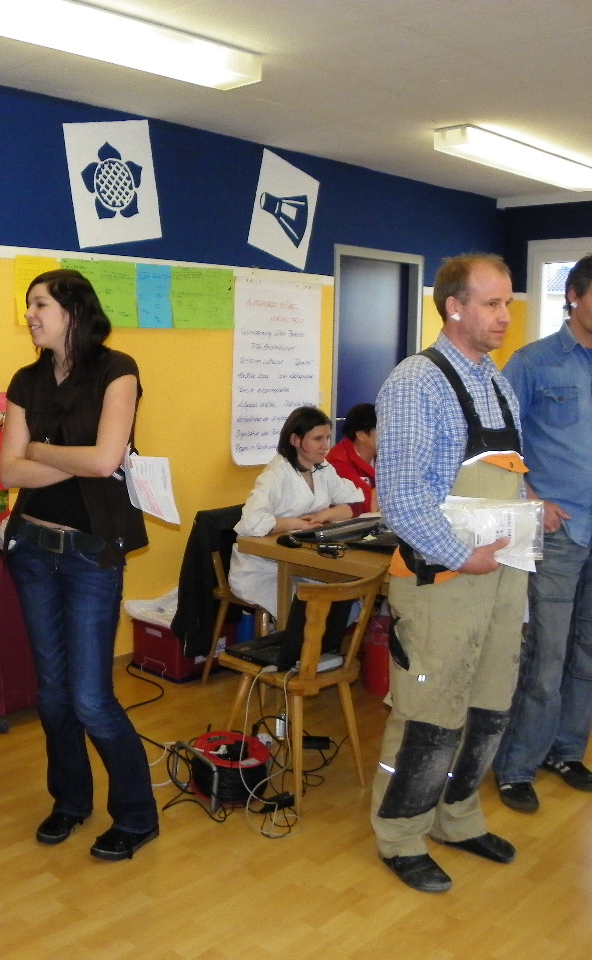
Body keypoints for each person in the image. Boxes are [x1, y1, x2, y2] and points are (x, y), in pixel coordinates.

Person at [368, 253, 527, 894]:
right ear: (454, 306)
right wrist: (463, 556)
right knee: (429, 712)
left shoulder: (497, 382)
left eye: (508, 303)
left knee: (488, 705)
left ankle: (456, 818)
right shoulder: (416, 383)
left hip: (503, 570)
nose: (505, 316)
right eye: (492, 304)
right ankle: (401, 835)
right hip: (443, 577)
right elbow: (401, 497)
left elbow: (509, 475)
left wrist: (533, 509)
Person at [0, 269, 159, 862]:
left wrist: (40, 449)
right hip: (32, 548)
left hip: (91, 554)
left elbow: (105, 461)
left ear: (72, 309)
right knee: (52, 694)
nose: (30, 315)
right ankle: (70, 800)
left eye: (39, 304)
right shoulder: (26, 380)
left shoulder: (118, 370)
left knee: (91, 698)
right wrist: (79, 458)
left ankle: (136, 816)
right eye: (29, 306)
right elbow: (9, 471)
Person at [491, 253, 592, 815]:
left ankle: (566, 752)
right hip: (557, 531)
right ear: (573, 297)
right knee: (545, 655)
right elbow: (498, 444)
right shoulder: (532, 362)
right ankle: (516, 766)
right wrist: (531, 499)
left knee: (591, 655)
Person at [228, 405, 365, 621]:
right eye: (318, 439)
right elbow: (251, 523)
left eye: (328, 438)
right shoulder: (275, 475)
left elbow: (357, 503)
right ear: (295, 440)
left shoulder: (322, 468)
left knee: (349, 603)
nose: (326, 446)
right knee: (310, 612)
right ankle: (295, 642)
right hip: (263, 569)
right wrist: (296, 523)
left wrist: (324, 516)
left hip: (305, 563)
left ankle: (322, 642)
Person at [326, 402, 378, 513]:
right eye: (381, 430)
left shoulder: (385, 455)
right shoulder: (338, 460)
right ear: (360, 435)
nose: (388, 435)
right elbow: (366, 503)